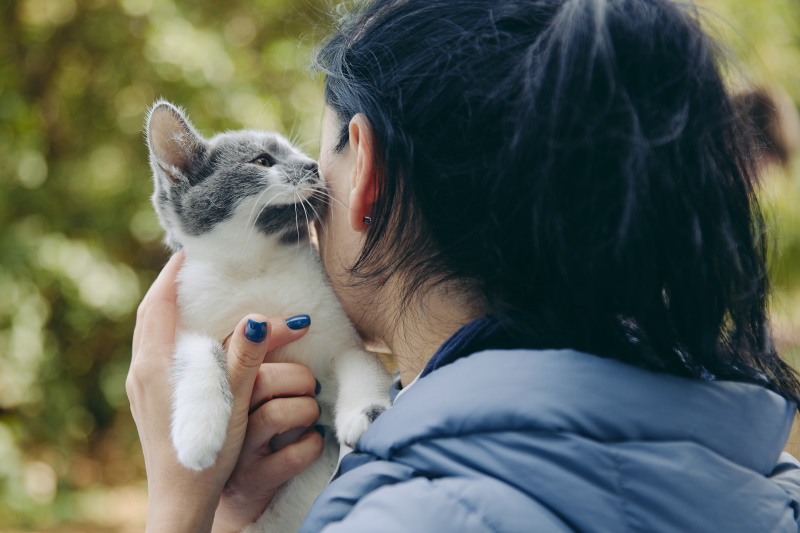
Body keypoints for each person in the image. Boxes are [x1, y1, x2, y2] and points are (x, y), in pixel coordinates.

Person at [127, 0, 800, 531]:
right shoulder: (774, 474)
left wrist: (183, 512)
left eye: (323, 149)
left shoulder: (403, 515)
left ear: (365, 174)